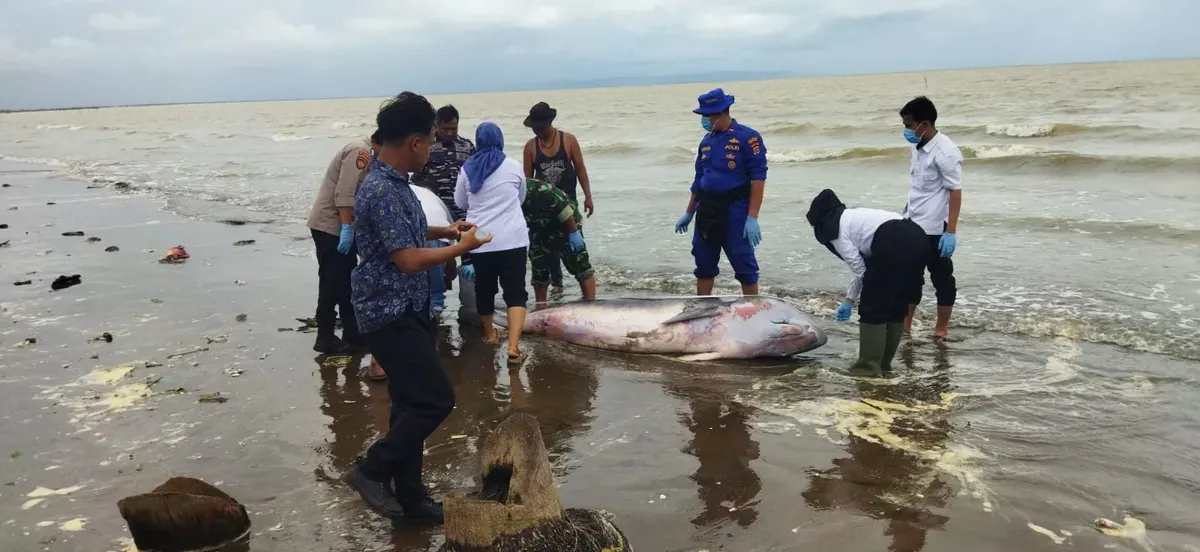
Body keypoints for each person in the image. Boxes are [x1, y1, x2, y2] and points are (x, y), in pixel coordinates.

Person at [345, 91, 491, 524]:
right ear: (413, 142)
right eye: (429, 140)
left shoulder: (391, 182)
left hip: (400, 307)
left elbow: (404, 230)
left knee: (408, 405)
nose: (431, 148)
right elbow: (407, 259)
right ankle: (371, 470)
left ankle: (412, 499)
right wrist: (459, 249)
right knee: (435, 401)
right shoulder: (383, 188)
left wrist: (447, 228)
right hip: (388, 311)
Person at [806, 189, 929, 378]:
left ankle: (867, 369)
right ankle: (884, 365)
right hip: (918, 236)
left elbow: (861, 270)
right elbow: (866, 269)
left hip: (892, 240)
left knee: (874, 307)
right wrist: (849, 298)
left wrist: (852, 300)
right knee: (896, 304)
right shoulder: (855, 216)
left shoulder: (836, 231)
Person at [674, 88, 767, 296]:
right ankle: (703, 309)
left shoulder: (748, 137)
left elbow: (759, 178)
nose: (704, 120)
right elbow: (699, 179)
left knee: (744, 263)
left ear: (720, 113)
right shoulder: (706, 141)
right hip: (706, 209)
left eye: (707, 116)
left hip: (735, 209)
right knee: (703, 261)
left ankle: (753, 310)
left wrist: (753, 217)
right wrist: (689, 212)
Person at [455, 121, 531, 364]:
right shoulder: (513, 165)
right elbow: (521, 197)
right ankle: (514, 347)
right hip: (513, 240)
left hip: (480, 241)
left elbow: (460, 202)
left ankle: (489, 335)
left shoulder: (467, 168)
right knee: (516, 293)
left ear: (478, 141)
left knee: (484, 289)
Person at [305, 132, 378, 354]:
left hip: (340, 226)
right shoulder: (360, 152)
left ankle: (352, 333)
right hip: (331, 226)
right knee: (331, 281)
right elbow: (344, 194)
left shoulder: (365, 152)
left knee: (347, 280)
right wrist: (347, 229)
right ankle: (325, 336)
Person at [899, 96, 963, 340]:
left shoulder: (946, 152)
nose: (906, 130)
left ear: (924, 124)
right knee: (910, 278)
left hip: (936, 227)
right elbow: (919, 186)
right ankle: (905, 326)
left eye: (908, 125)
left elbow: (955, 191)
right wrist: (905, 210)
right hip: (913, 222)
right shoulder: (917, 147)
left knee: (942, 278)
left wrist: (951, 232)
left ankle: (941, 329)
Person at [522, 102, 594, 295]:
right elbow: (526, 184)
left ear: (550, 122)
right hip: (542, 210)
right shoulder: (530, 147)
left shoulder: (568, 140)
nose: (538, 131)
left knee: (577, 254)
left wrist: (588, 196)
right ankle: (549, 293)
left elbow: (580, 169)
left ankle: (590, 301)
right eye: (535, 128)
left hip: (568, 204)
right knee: (541, 256)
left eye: (541, 127)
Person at [413, 104, 476, 292]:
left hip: (463, 207)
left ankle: (471, 301)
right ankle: (437, 299)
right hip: (437, 209)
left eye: (453, 128)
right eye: (445, 128)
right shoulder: (428, 147)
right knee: (437, 252)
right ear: (436, 125)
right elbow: (416, 178)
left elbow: (476, 174)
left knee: (470, 253)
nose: (449, 132)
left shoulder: (467, 146)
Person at [522, 177, 596, 305]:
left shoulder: (538, 190)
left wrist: (573, 233)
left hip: (566, 223)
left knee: (579, 263)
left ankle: (590, 303)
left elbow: (565, 210)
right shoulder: (503, 196)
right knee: (539, 266)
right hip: (539, 227)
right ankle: (541, 306)